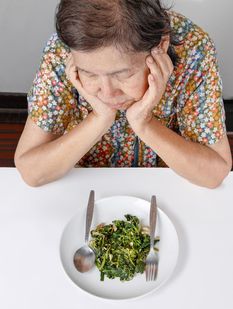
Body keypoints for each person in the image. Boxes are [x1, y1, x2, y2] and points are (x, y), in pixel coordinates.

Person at [15, 0, 232, 188]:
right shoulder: (61, 51)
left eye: (123, 74)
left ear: (161, 45)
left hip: (169, 185)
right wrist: (99, 118)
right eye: (89, 74)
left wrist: (144, 123)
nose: (108, 94)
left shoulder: (194, 49)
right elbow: (31, 171)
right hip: (83, 184)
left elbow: (214, 173)